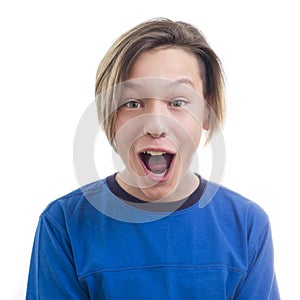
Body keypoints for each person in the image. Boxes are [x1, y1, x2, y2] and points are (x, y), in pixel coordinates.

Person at [26, 18, 280, 299]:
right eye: (133, 103)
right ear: (109, 115)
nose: (156, 125)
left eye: (178, 102)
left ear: (207, 113)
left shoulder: (247, 225)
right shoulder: (63, 224)